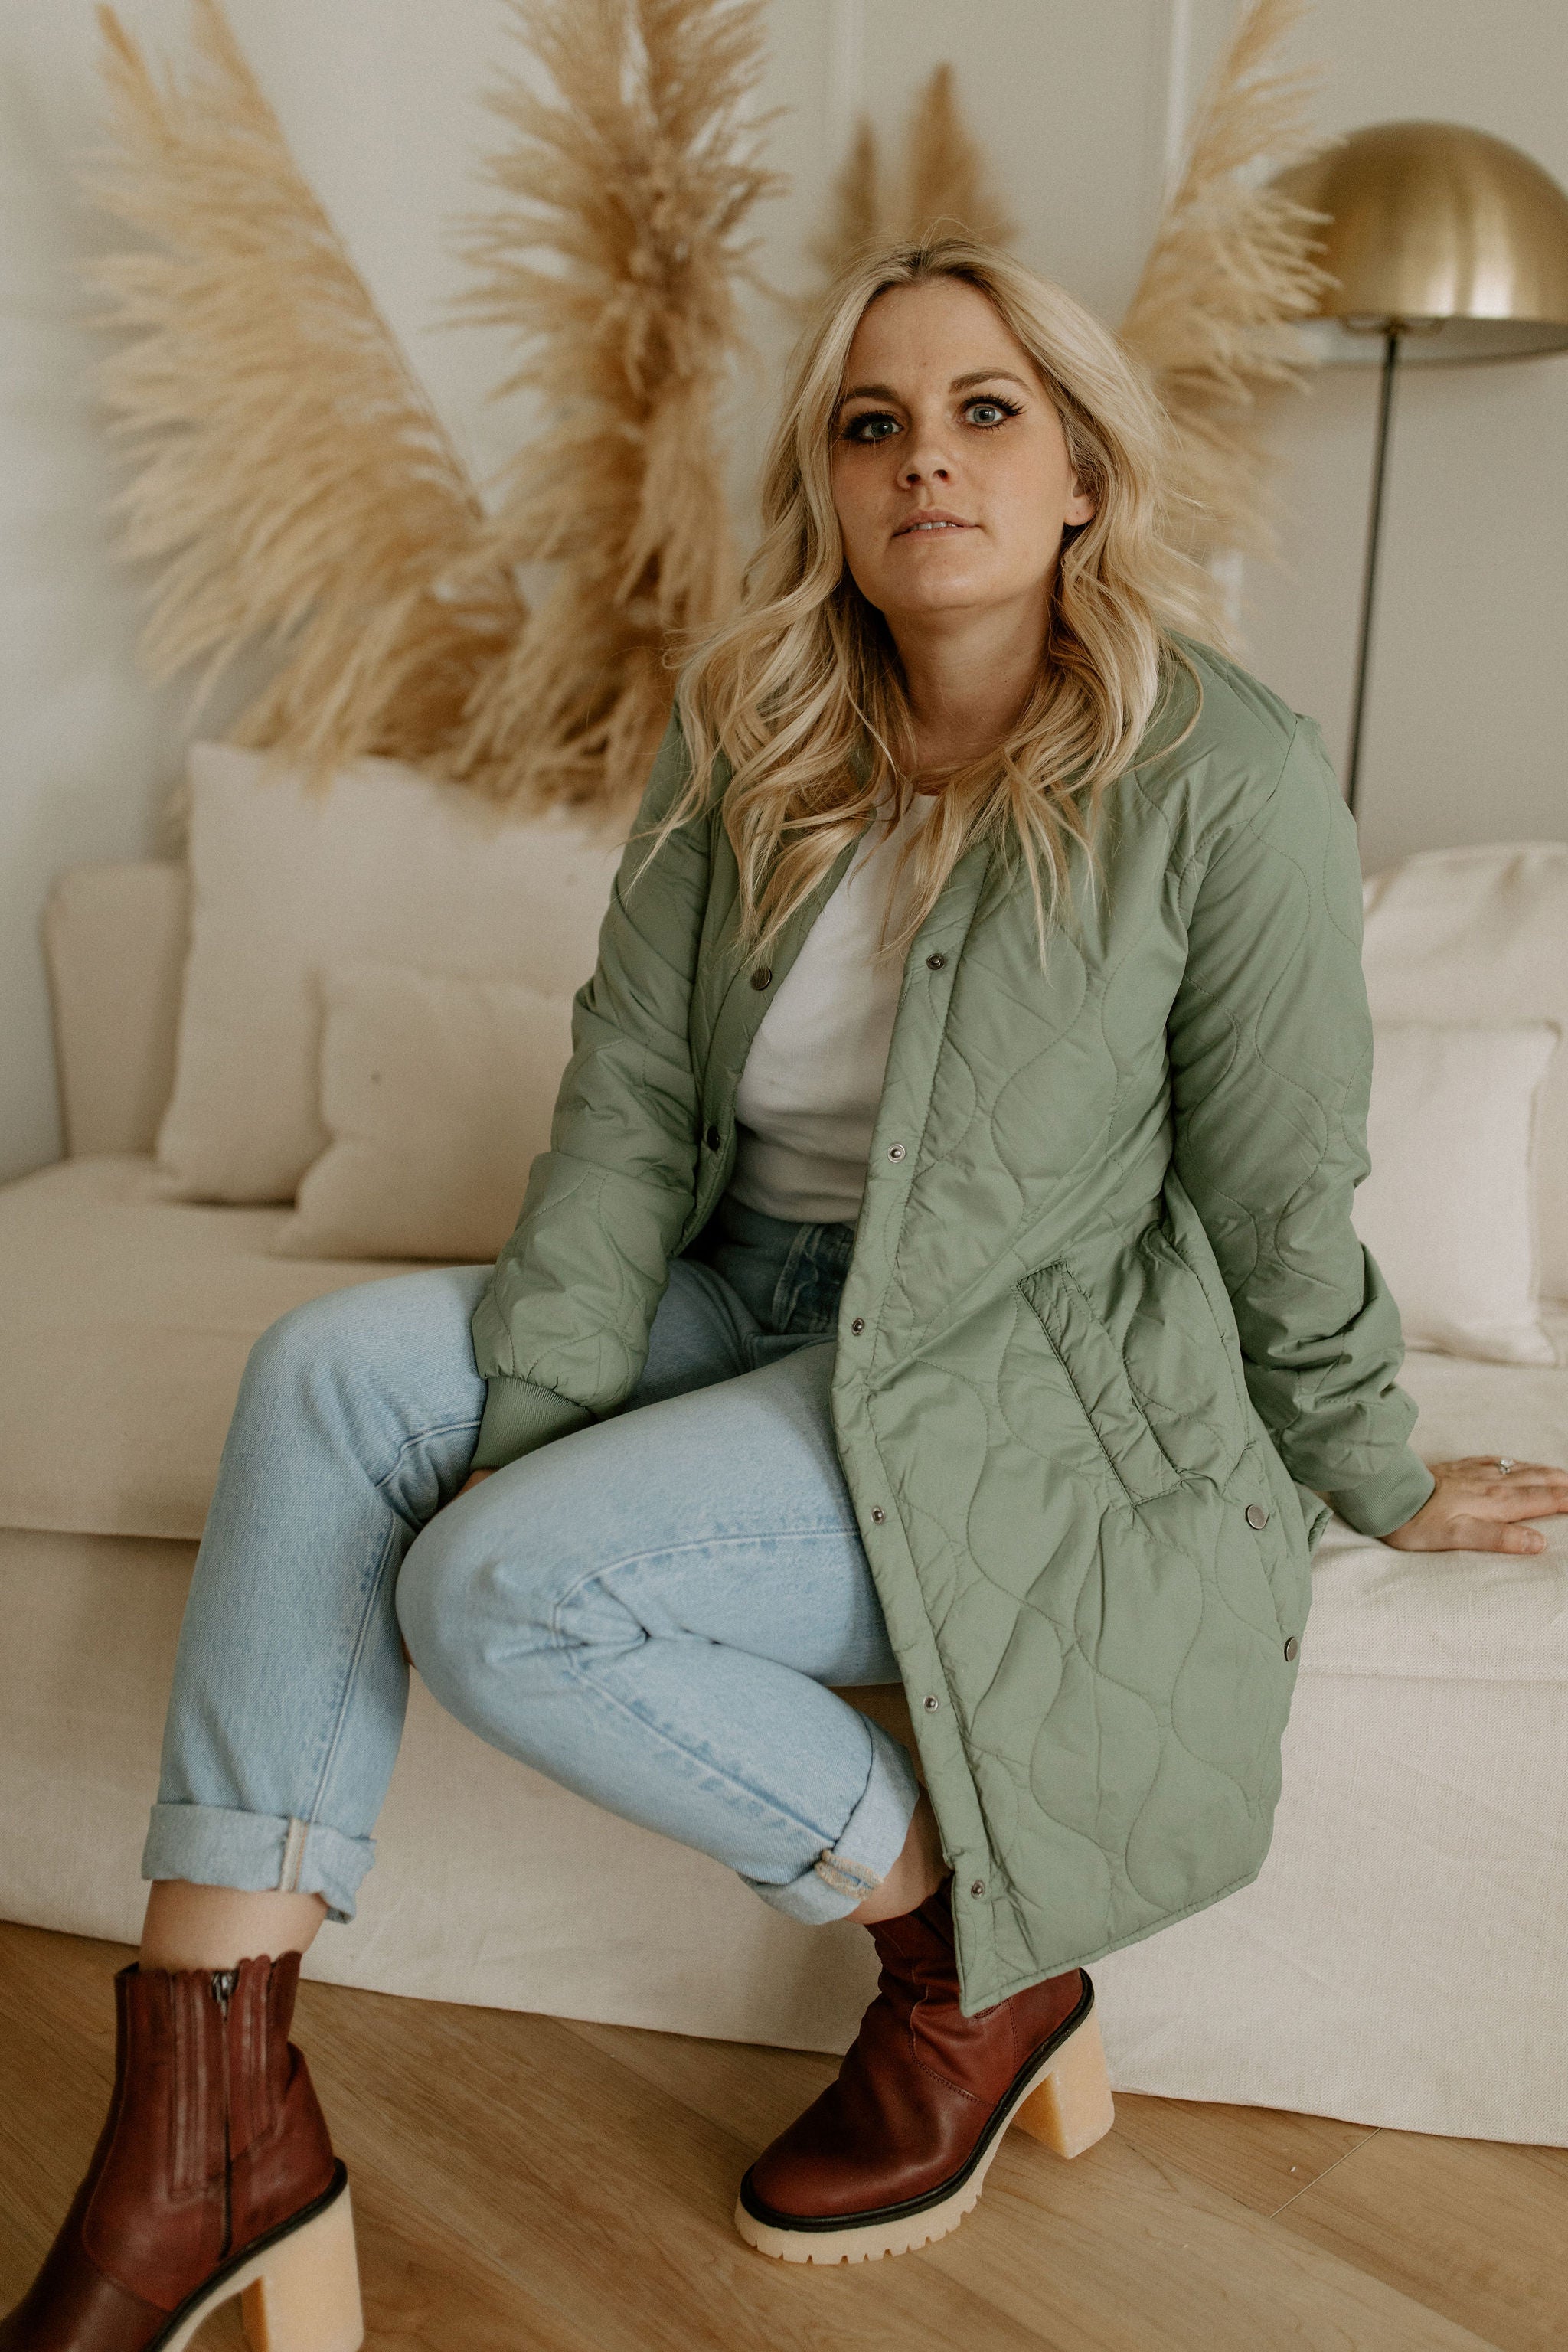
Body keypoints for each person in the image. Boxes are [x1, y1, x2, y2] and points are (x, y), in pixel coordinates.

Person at [9, 234, 1567, 2346]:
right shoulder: (747, 731)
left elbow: (1280, 1188)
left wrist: (1376, 1470)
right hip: (752, 1296)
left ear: (1084, 475)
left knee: (500, 1593)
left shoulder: (1230, 774)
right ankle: (208, 2137)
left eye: (986, 411)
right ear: (828, 485)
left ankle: (969, 1954)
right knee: (327, 1377)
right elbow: (632, 1111)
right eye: (872, 422)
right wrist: (543, 1427)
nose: (927, 458)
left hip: (1022, 1377)